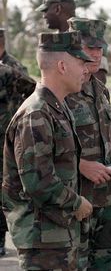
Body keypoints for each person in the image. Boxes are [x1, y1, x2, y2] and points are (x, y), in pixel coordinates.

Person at [2, 31, 93, 270]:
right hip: (42, 240)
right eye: (81, 62)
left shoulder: (56, 108)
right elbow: (38, 182)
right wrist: (77, 203)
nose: (86, 70)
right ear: (62, 66)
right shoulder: (36, 114)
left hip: (57, 234)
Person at [66, 17, 111, 270]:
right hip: (75, 192)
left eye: (99, 48)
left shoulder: (99, 88)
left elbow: (108, 126)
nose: (96, 54)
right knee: (76, 262)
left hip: (104, 191)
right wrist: (81, 165)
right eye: (89, 47)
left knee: (104, 261)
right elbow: (48, 146)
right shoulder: (61, 89)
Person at [0, 64, 35, 257]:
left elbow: (33, 89)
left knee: (6, 189)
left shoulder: (7, 72)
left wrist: (16, 111)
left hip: (4, 140)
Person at [36, 0, 109, 83]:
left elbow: (98, 78)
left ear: (57, 9)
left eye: (45, 10)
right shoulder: (51, 42)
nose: (44, 16)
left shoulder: (88, 34)